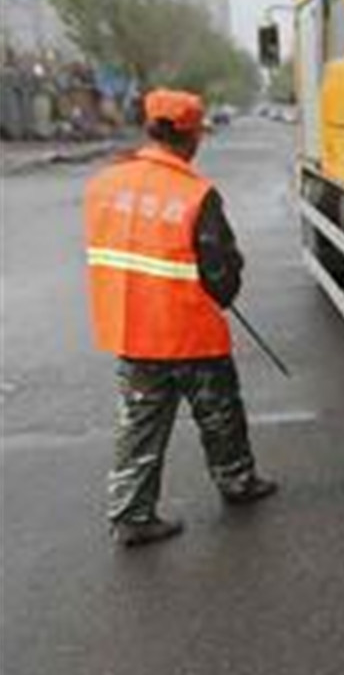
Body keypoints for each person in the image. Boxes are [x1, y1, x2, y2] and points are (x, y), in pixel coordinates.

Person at [85, 88, 277, 548]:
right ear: (190, 135)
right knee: (219, 413)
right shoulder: (195, 195)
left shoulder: (103, 186)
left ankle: (131, 514)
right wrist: (226, 291)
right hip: (190, 333)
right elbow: (221, 271)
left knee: (139, 424)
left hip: (131, 330)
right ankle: (236, 482)